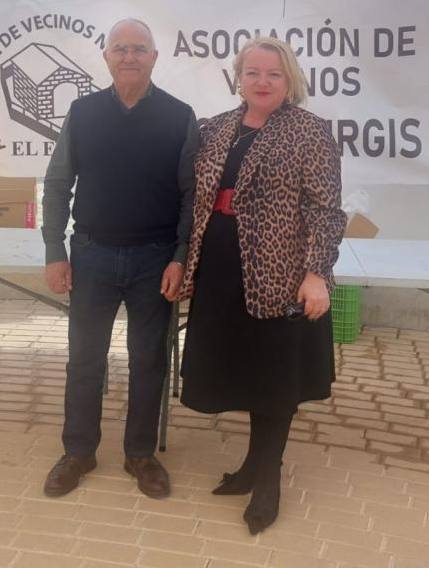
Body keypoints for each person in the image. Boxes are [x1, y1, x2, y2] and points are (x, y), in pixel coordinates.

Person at [178, 36, 346, 534]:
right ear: (238, 78)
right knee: (247, 372)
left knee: (275, 376)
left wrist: (317, 273)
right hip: (221, 271)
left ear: (289, 79)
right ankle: (252, 465)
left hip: (282, 275)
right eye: (252, 72)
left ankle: (268, 476)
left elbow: (326, 210)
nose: (262, 81)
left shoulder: (309, 131)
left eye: (273, 73)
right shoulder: (215, 128)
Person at [42, 18, 197, 499]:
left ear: (155, 57)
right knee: (84, 360)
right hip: (91, 256)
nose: (129, 56)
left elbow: (192, 196)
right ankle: (78, 451)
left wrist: (180, 256)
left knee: (148, 361)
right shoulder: (82, 112)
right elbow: (57, 182)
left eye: (139, 48)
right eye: (120, 48)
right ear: (106, 57)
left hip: (155, 261)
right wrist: (54, 250)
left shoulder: (179, 116)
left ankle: (140, 455)